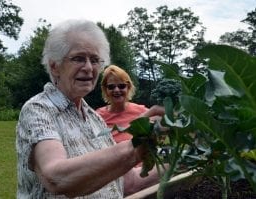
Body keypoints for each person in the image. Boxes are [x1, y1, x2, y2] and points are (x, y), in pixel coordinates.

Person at [16, 19, 166, 199]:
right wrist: (138, 143)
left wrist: (185, 158)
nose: (88, 68)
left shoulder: (95, 119)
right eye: (78, 58)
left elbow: (129, 183)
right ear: (55, 66)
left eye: (95, 60)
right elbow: (56, 177)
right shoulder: (39, 110)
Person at [96, 65, 165, 143]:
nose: (116, 90)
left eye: (121, 86)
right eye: (111, 87)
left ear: (128, 87)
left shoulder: (142, 111)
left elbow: (163, 125)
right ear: (105, 90)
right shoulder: (98, 116)